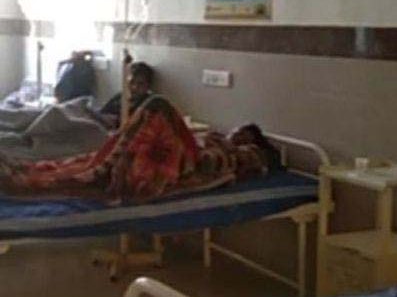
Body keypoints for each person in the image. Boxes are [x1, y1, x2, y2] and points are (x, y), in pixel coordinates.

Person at [0, 97, 277, 204]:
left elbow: (199, 164)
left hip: (165, 166)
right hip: (156, 154)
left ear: (250, 142)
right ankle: (24, 168)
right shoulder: (218, 140)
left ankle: (25, 174)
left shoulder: (235, 156)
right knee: (82, 159)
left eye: (241, 133)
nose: (233, 133)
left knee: (158, 106)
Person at [98, 61, 155, 129]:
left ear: (148, 86)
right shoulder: (121, 96)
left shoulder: (149, 103)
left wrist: (116, 121)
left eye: (141, 84)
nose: (134, 87)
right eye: (131, 82)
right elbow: (102, 113)